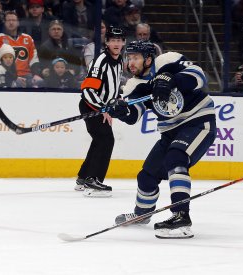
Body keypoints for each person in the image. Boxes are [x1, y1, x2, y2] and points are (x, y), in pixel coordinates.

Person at [110, 40, 217, 239]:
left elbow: (199, 76)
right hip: (170, 132)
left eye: (135, 58)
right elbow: (134, 114)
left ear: (148, 59)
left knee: (176, 159)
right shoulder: (134, 85)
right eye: (129, 58)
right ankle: (142, 214)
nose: (130, 63)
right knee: (147, 175)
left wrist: (171, 80)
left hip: (198, 121)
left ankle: (181, 217)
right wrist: (121, 111)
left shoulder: (168, 60)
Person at [75, 26, 126, 197]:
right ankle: (93, 180)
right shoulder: (101, 61)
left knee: (99, 140)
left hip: (101, 108)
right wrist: (102, 108)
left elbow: (113, 86)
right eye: (113, 40)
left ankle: (83, 177)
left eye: (119, 40)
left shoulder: (119, 60)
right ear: (107, 42)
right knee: (106, 139)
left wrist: (117, 98)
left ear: (124, 42)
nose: (116, 44)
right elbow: (88, 91)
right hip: (91, 106)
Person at [0, 11, 43, 88]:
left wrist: (36, 75)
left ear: (18, 22)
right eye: (8, 20)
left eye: (14, 20)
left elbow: (34, 60)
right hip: (7, 75)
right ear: (4, 23)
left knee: (40, 82)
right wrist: (15, 77)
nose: (11, 23)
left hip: (26, 75)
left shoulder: (28, 38)